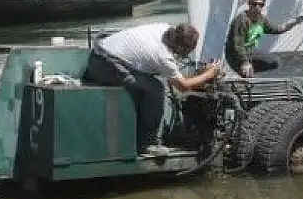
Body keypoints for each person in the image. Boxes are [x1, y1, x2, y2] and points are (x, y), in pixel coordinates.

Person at [84, 22, 219, 156]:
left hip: (99, 50)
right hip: (104, 65)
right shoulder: (163, 56)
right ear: (181, 47)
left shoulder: (163, 27)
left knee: (150, 80)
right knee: (155, 89)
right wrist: (209, 74)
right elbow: (183, 86)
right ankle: (147, 144)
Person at [225, 0, 303, 77]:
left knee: (275, 61)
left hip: (249, 52)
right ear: (249, 3)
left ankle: (251, 70)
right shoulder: (241, 21)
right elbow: (237, 45)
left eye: (260, 5)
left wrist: (294, 22)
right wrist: (245, 62)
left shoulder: (261, 19)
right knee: (248, 77)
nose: (257, 7)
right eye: (254, 4)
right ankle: (247, 72)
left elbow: (277, 29)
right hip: (235, 55)